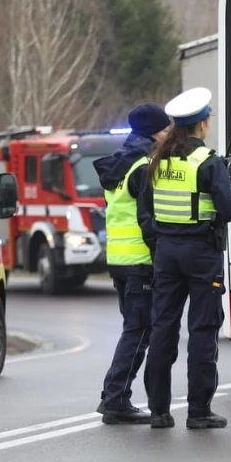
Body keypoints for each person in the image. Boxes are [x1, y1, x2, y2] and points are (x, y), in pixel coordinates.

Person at [138, 87, 231, 430]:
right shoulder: (208, 162)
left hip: (166, 253)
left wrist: (161, 242)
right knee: (202, 329)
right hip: (201, 253)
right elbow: (229, 210)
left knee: (163, 328)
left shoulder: (158, 160)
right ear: (202, 124)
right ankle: (198, 411)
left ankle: (159, 411)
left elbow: (146, 212)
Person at [93, 102, 171, 425]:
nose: (169, 134)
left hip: (120, 261)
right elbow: (150, 217)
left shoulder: (121, 162)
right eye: (166, 129)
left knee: (135, 329)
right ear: (155, 133)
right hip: (140, 262)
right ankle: (115, 398)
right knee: (138, 331)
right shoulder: (142, 166)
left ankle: (118, 396)